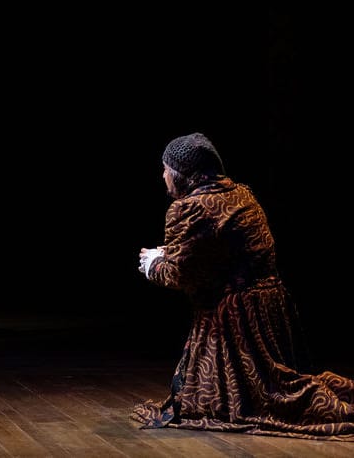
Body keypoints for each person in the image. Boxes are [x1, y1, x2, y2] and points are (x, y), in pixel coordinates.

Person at [132, 132, 353, 441]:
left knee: (258, 400)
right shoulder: (240, 194)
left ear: (184, 174)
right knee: (269, 385)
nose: (163, 175)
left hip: (238, 318)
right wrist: (168, 252)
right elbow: (216, 250)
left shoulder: (189, 208)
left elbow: (181, 275)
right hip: (268, 305)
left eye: (167, 168)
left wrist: (154, 264)